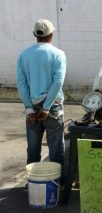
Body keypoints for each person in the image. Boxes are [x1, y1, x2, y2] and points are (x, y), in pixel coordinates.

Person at [16, 19, 67, 168]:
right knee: (56, 148)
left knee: (32, 148)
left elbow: (21, 83)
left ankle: (33, 183)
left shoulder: (24, 55)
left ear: (34, 34)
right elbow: (58, 82)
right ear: (51, 35)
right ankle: (58, 184)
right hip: (53, 107)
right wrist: (46, 107)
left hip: (32, 104)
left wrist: (28, 108)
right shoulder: (58, 54)